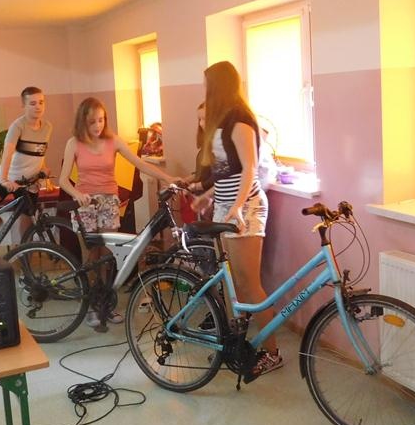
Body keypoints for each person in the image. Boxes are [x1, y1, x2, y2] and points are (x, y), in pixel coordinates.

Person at [191, 61, 280, 375]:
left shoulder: (240, 120)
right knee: (236, 285)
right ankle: (240, 345)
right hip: (227, 206)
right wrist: (209, 195)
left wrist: (238, 205)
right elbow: (227, 171)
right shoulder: (221, 121)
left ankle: (272, 353)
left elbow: (249, 168)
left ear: (218, 86)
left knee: (250, 285)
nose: (205, 91)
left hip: (247, 208)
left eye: (207, 85)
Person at [58, 97, 176, 328]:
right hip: (85, 202)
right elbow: (63, 180)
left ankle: (105, 304)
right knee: (92, 255)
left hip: (108, 201)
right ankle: (92, 303)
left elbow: (140, 164)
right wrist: (77, 194)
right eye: (92, 121)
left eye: (101, 120)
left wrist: (168, 178)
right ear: (83, 121)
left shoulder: (113, 140)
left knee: (106, 255)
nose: (98, 126)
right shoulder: (74, 143)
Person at [0, 86, 52, 236]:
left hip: (29, 182)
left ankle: (25, 250)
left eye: (41, 102)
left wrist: (44, 169)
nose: (38, 107)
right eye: (32, 103)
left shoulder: (48, 127)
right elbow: (7, 153)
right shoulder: (17, 126)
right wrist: (3, 179)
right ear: (24, 105)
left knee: (27, 228)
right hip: (8, 177)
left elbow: (40, 152)